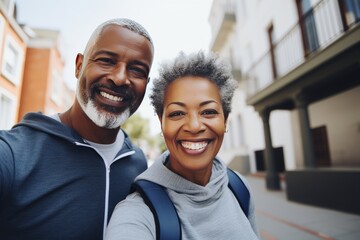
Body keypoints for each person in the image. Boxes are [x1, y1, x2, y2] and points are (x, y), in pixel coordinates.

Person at [0, 18, 154, 239]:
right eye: (107, 61)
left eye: (136, 70)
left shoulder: (137, 162)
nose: (120, 79)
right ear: (79, 66)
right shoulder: (14, 154)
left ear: (146, 84)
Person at [105, 51, 260, 240]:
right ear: (162, 123)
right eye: (177, 113)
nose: (194, 126)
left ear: (225, 121)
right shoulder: (137, 213)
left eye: (208, 111)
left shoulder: (238, 187)